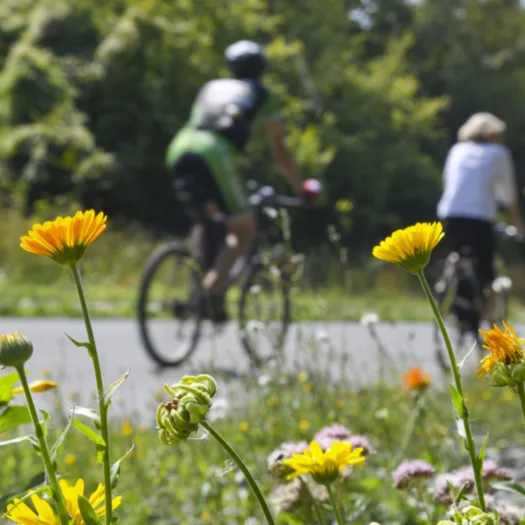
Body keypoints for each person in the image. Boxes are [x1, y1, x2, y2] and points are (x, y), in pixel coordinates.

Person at [166, 40, 303, 322]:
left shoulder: (211, 87)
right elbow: (279, 149)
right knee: (243, 228)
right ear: (262, 68)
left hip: (180, 147)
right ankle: (209, 291)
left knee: (207, 221)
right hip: (214, 152)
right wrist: (299, 186)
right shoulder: (262, 93)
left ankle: (199, 281)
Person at [437, 112, 525, 322]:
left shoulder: (457, 150)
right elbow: (508, 196)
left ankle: (449, 281)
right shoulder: (498, 153)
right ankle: (486, 315)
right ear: (494, 134)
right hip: (480, 218)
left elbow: (449, 183)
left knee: (459, 254)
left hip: (451, 215)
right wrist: (519, 227)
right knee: (486, 269)